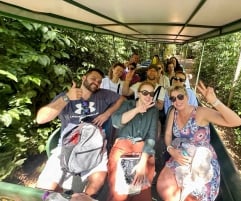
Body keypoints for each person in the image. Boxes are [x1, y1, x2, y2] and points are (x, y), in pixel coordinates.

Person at [35, 68, 125, 196]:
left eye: (99, 81)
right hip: (68, 146)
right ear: (84, 78)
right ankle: (60, 195)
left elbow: (121, 99)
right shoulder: (66, 96)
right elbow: (40, 119)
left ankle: (83, 197)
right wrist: (67, 98)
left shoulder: (103, 94)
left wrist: (107, 114)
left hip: (95, 146)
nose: (96, 82)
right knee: (45, 188)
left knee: (97, 182)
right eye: (93, 79)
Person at [156, 82, 241, 201]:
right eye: (173, 98)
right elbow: (167, 134)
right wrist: (171, 150)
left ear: (187, 96)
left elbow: (236, 122)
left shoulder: (200, 112)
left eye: (180, 96)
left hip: (201, 159)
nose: (177, 100)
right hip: (181, 155)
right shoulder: (173, 112)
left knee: (195, 195)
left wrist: (214, 101)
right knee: (163, 186)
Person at [107, 81, 159, 201]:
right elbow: (116, 122)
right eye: (145, 93)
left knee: (142, 193)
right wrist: (137, 110)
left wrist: (142, 163)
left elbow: (151, 137)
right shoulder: (128, 104)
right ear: (138, 94)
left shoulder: (153, 111)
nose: (148, 96)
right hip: (123, 145)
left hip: (143, 148)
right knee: (119, 192)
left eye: (151, 94)